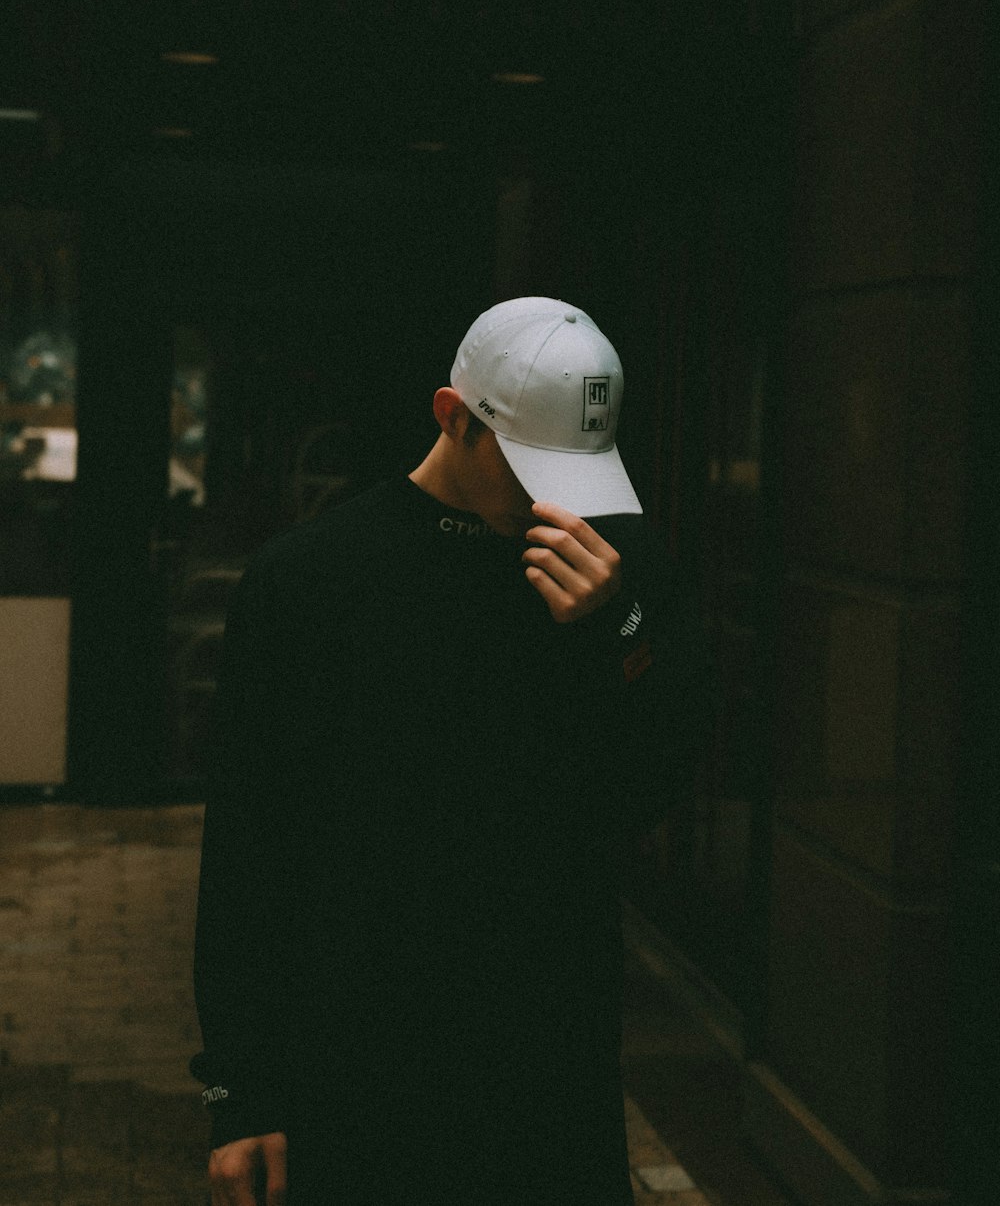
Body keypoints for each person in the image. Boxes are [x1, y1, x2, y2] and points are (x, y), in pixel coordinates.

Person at [191, 296, 714, 1206]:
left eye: (575, 472)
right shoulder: (312, 583)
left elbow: (653, 784)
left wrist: (614, 631)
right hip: (358, 1053)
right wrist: (239, 1091)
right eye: (528, 468)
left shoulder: (613, 565)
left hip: (549, 1051)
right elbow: (251, 849)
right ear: (453, 417)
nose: (552, 499)